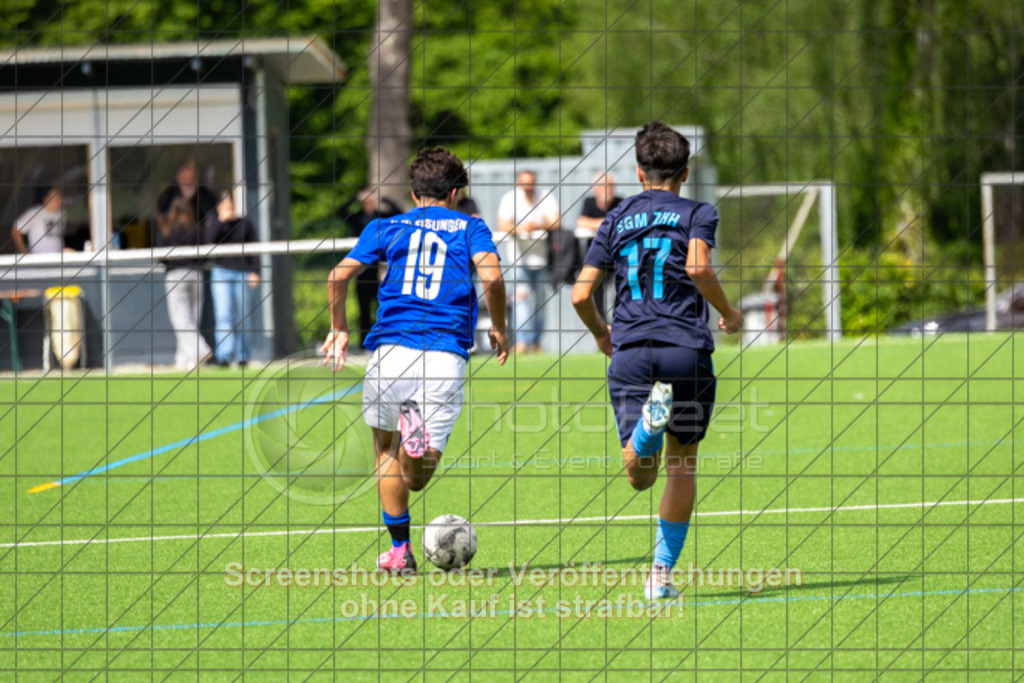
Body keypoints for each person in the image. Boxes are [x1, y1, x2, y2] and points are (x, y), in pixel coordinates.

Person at [571, 122, 743, 599]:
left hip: (629, 351)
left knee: (638, 477)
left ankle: (646, 429)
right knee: (682, 464)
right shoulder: (698, 212)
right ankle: (660, 578)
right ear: (684, 173)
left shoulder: (615, 217)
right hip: (684, 350)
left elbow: (580, 294)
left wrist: (602, 333)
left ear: (638, 172)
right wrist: (728, 312)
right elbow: (697, 266)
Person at [321, 147, 508, 574]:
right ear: (457, 191)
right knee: (417, 477)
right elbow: (492, 277)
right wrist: (498, 326)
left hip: (389, 354)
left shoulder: (385, 226)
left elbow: (337, 276)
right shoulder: (471, 227)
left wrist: (339, 328)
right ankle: (415, 440)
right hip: (443, 356)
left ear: (412, 191)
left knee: (384, 452)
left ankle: (400, 552)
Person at [496, 170, 560, 354]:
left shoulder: (545, 196)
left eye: (531, 183)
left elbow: (556, 221)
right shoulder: (510, 199)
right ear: (519, 184)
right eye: (524, 183)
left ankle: (536, 342)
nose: (528, 187)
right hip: (518, 259)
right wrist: (521, 228)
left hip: (541, 259)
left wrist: (537, 226)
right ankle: (523, 342)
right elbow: (503, 225)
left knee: (540, 302)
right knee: (521, 301)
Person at [155, 194, 212, 370]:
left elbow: (160, 255)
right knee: (192, 318)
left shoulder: (167, 229)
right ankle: (184, 361)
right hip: (196, 275)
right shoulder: (196, 229)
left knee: (181, 319)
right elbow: (204, 253)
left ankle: (200, 351)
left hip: (175, 276)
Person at [343, 187, 402, 351]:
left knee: (382, 306)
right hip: (361, 272)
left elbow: (398, 212)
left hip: (377, 271)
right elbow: (340, 211)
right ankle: (364, 342)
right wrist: (356, 198)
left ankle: (384, 339)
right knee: (363, 309)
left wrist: (383, 198)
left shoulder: (380, 217)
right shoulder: (357, 218)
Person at [206, 191, 260, 368]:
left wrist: (255, 271)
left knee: (243, 315)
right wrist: (221, 223)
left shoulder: (245, 224)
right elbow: (209, 243)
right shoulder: (215, 225)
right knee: (223, 315)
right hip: (221, 272)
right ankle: (224, 356)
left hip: (242, 273)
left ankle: (243, 356)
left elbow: (254, 249)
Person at [575, 173, 623, 315]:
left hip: (618, 255)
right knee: (595, 290)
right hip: (596, 256)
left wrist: (597, 225)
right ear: (595, 189)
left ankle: (618, 319)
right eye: (603, 186)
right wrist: (607, 224)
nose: (607, 189)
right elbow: (582, 222)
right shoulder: (589, 202)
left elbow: (623, 224)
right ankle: (601, 322)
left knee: (619, 288)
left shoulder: (621, 202)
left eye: (610, 186)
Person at [156, 160, 218, 232]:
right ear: (178, 179)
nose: (188, 182)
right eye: (184, 178)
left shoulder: (204, 195)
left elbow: (211, 216)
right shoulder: (169, 194)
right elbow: (162, 216)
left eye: (192, 178)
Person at [11, 186, 66, 254]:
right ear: (46, 199)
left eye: (60, 197)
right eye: (57, 197)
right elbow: (15, 230)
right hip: (39, 260)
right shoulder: (35, 213)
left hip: (56, 259)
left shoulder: (61, 214)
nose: (60, 200)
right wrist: (23, 251)